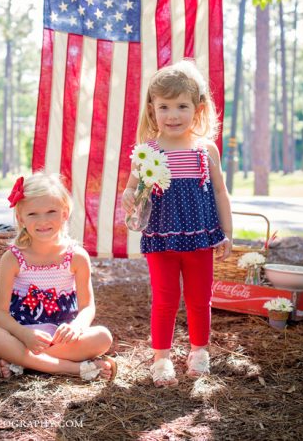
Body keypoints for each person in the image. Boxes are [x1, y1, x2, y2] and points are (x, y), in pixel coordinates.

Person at [122, 60, 232, 387]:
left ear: (197, 109)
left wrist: (227, 232)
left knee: (200, 298)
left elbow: (221, 194)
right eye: (164, 107)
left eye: (182, 106)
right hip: (162, 237)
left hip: (200, 237)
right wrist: (130, 196)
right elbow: (131, 187)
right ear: (152, 109)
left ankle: (199, 351)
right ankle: (162, 358)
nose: (173, 115)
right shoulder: (147, 152)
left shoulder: (205, 150)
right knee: (165, 297)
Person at [0, 172, 116, 382]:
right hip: (23, 335)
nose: (43, 221)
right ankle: (76, 369)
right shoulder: (13, 258)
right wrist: (24, 335)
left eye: (51, 211)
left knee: (103, 337)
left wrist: (77, 327)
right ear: (20, 218)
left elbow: (87, 307)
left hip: (61, 339)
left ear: (65, 213)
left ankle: (21, 362)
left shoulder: (77, 257)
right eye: (33, 214)